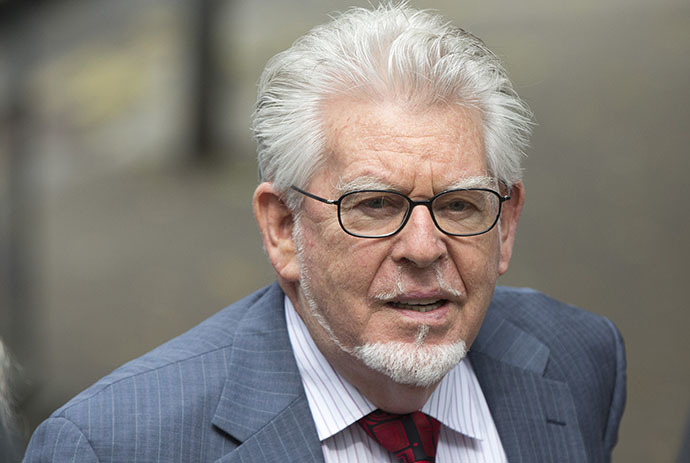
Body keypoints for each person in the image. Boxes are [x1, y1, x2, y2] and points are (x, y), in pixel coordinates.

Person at [23, 3, 626, 462]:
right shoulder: (116, 444)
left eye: (462, 205)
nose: (422, 248)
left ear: (508, 224)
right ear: (283, 229)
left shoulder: (581, 360)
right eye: (374, 205)